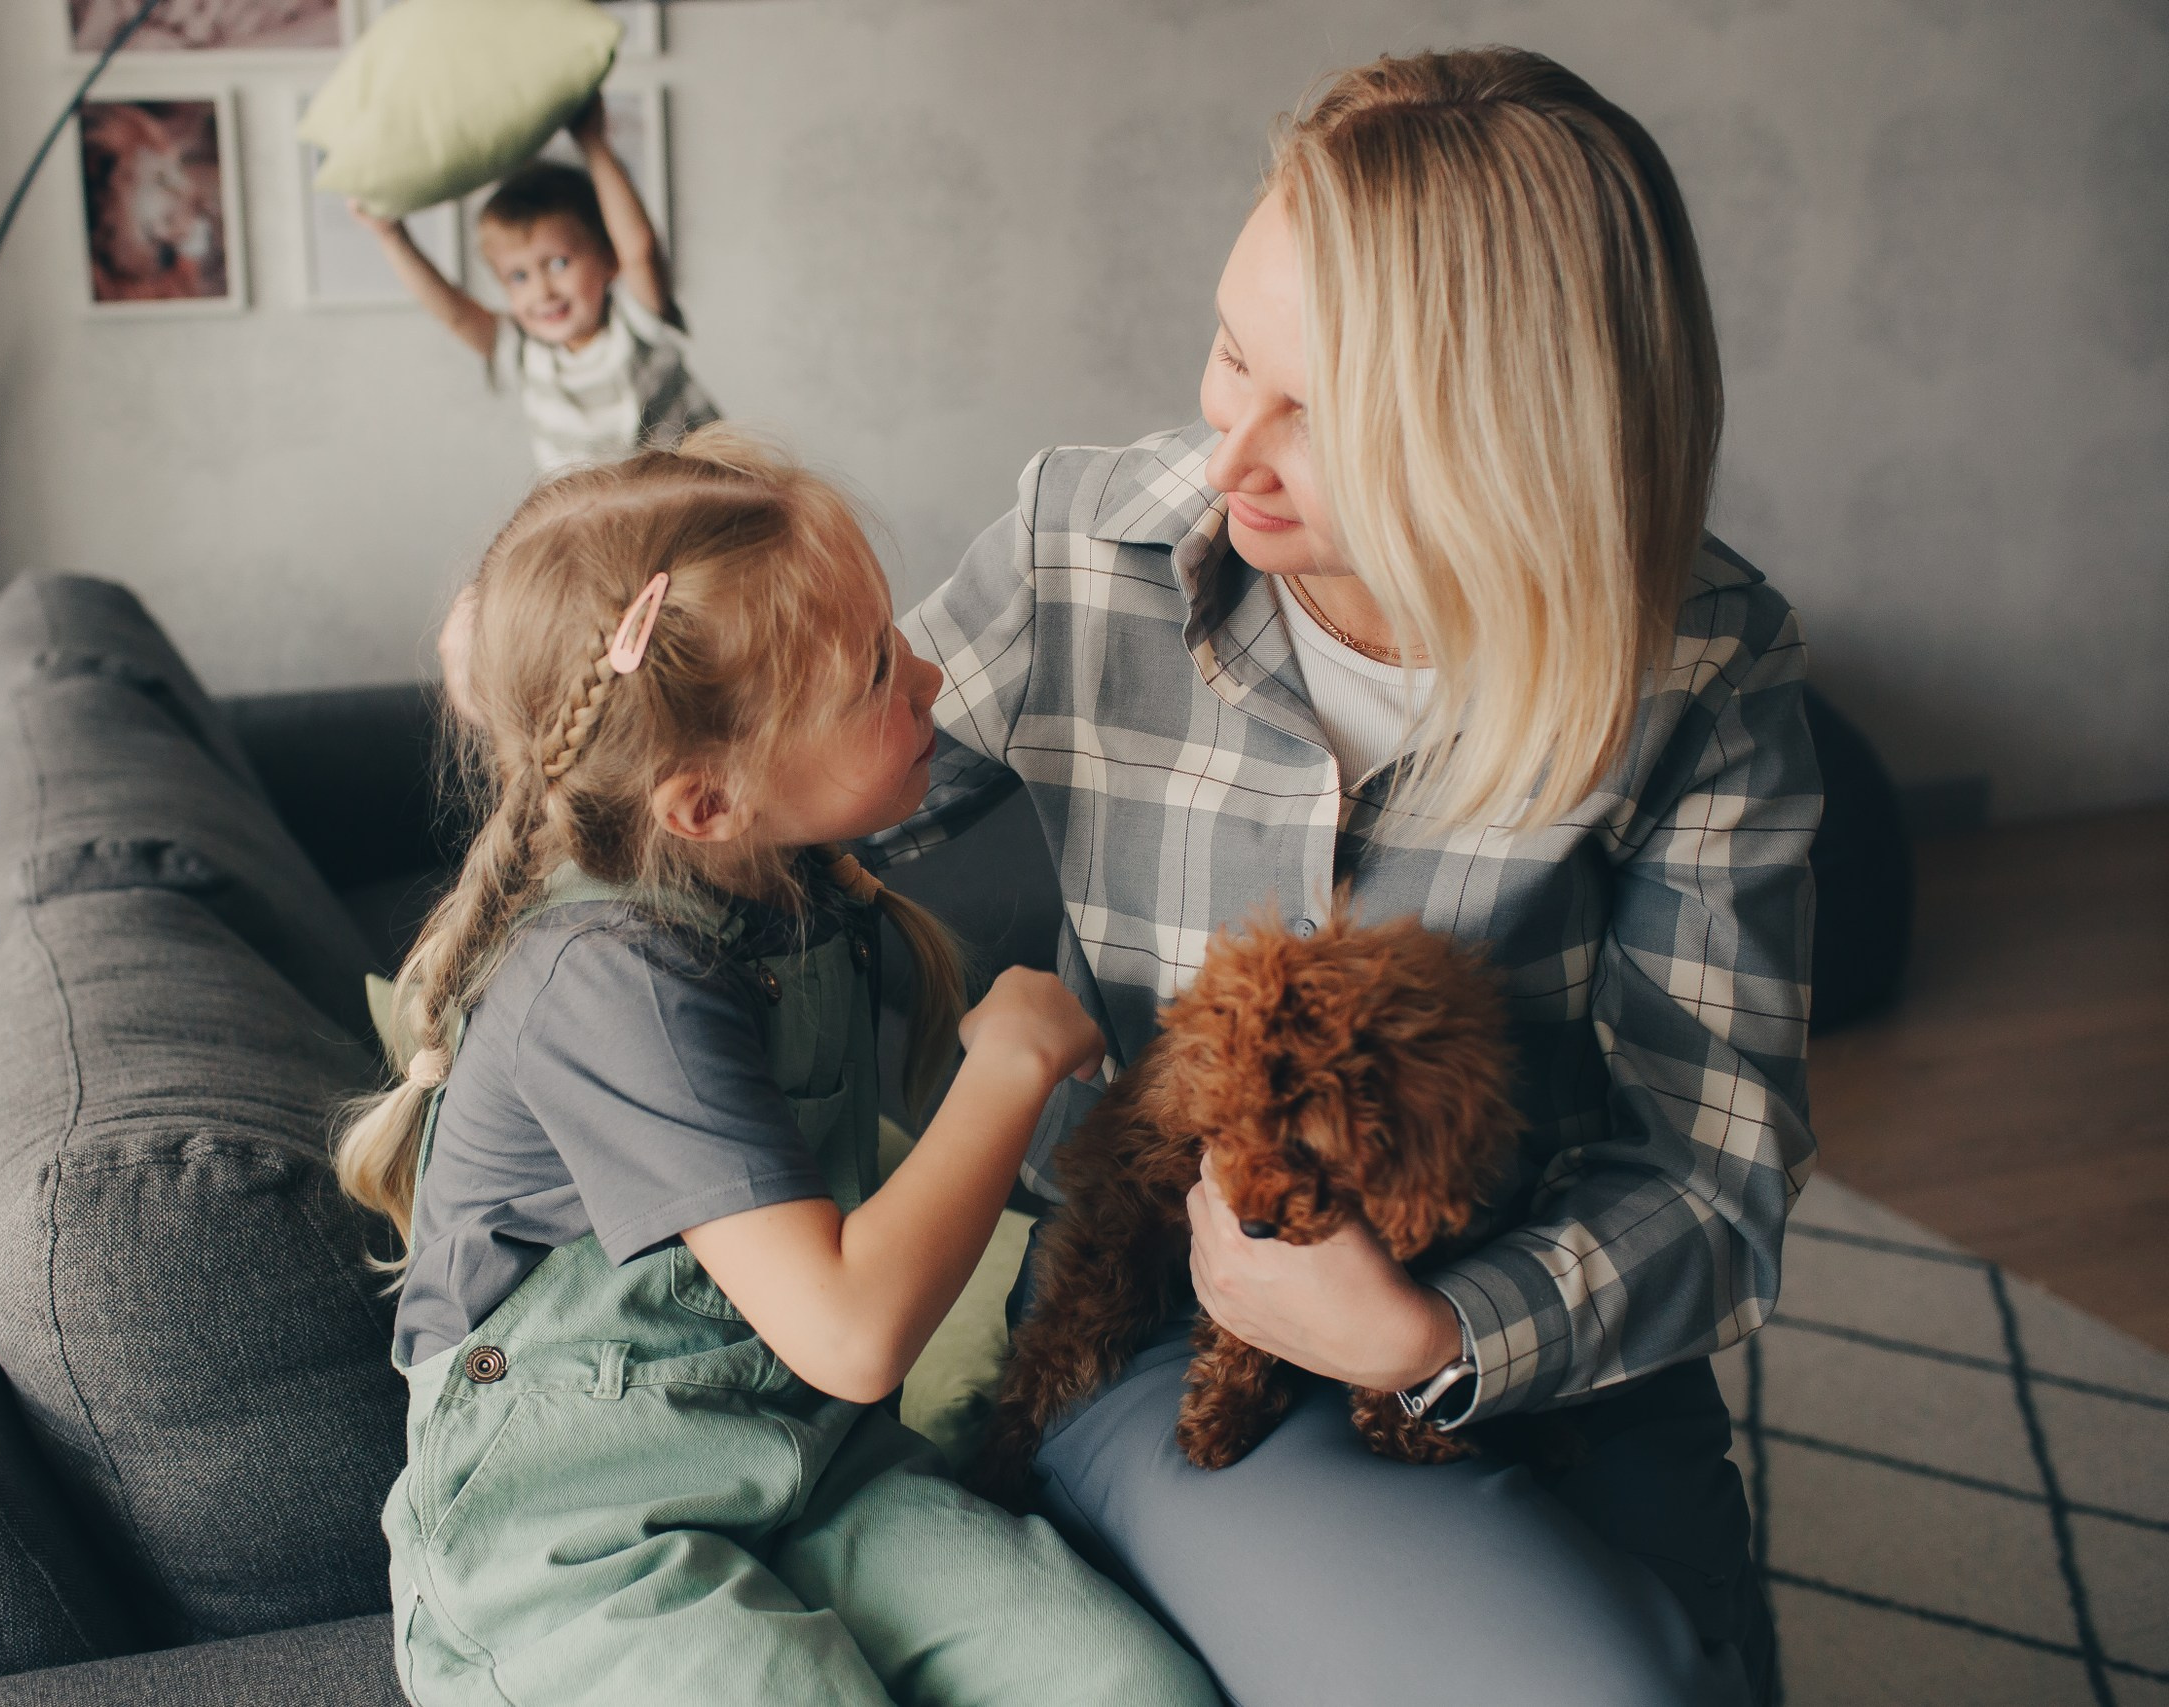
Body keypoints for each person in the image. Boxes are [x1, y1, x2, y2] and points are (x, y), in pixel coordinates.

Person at [865, 47, 1817, 1707]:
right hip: (1157, 1317)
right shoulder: (1081, 543)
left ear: (1526, 436)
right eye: (1235, 351)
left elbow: (1716, 1175)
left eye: (1329, 416)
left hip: (1544, 1336)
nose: (1233, 451)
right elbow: (810, 820)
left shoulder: (1701, 665)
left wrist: (1430, 1340)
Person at [334, 432, 1221, 1707]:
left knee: (1126, 1688)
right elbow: (851, 1332)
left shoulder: (788, 882)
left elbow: (956, 1188)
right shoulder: (607, 975)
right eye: (874, 673)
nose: (927, 675)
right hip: (576, 1532)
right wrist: (1009, 1067)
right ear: (702, 803)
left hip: (812, 1464)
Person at [355, 97, 719, 475]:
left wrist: (593, 144)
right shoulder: (524, 352)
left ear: (609, 260)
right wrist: (390, 236)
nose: (543, 291)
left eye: (559, 263)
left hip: (701, 499)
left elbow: (639, 250)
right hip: (602, 522)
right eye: (519, 276)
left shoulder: (636, 327)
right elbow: (454, 315)